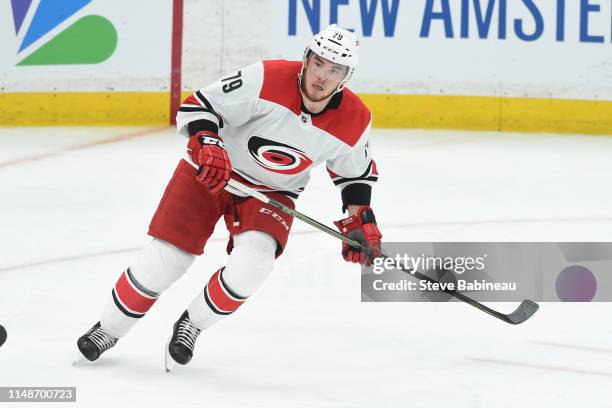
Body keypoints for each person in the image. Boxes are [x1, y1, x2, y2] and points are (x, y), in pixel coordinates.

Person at [76, 24, 382, 369]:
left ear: (346, 77)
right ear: (306, 59)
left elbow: (354, 176)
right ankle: (109, 329)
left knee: (253, 266)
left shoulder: (355, 119)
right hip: (211, 171)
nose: (322, 76)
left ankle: (192, 324)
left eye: (335, 70)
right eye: (319, 63)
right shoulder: (266, 77)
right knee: (166, 260)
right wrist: (208, 141)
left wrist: (361, 220)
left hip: (271, 194)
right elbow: (200, 106)